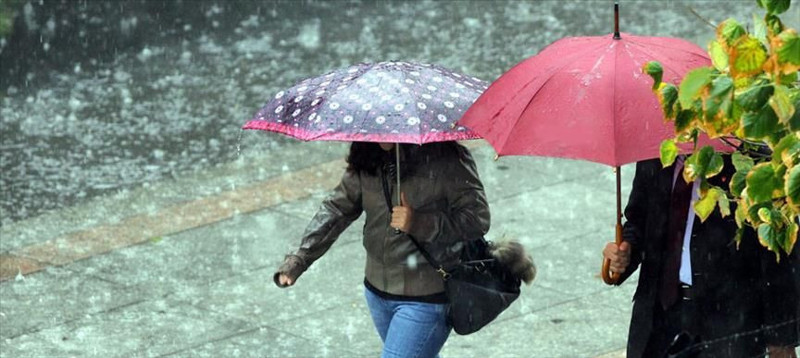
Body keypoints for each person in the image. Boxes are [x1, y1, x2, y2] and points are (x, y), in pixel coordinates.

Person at [274, 141, 490, 358]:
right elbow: (337, 209)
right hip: (376, 291)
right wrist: (299, 258)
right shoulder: (367, 156)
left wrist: (419, 223)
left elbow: (477, 219)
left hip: (426, 296)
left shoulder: (448, 158)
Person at [603, 156, 799, 358]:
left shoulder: (750, 160)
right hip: (659, 318)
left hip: (727, 324)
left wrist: (781, 339)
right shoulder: (655, 156)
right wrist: (625, 251)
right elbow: (639, 220)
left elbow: (780, 258)